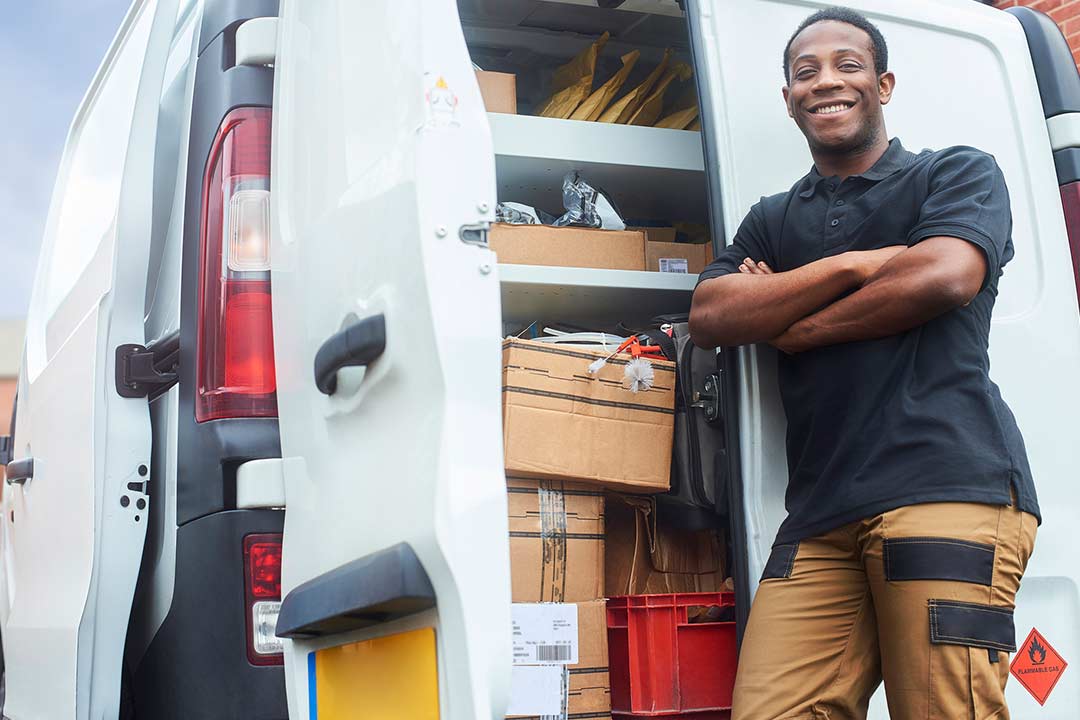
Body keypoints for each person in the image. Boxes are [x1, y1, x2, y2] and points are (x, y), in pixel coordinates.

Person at [688, 7, 1040, 719]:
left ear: (882, 84)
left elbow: (943, 276)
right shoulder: (773, 217)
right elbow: (713, 315)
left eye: (847, 65)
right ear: (787, 98)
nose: (826, 81)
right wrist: (854, 264)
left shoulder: (956, 172)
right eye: (804, 71)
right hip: (820, 512)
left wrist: (795, 323)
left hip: (945, 482)